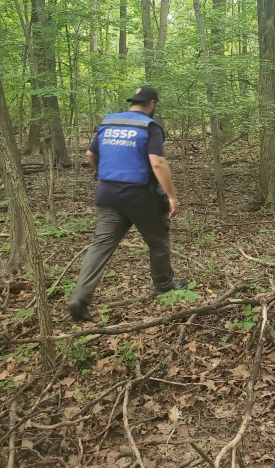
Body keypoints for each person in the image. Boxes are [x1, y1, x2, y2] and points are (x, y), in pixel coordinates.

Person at [68, 86, 187, 322]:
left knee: (100, 246)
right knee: (158, 241)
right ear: (152, 104)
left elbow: (90, 154)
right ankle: (163, 286)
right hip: (141, 197)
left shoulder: (109, 122)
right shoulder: (150, 127)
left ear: (133, 102)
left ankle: (79, 297)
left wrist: (103, 174)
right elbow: (158, 163)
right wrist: (172, 196)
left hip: (108, 194)